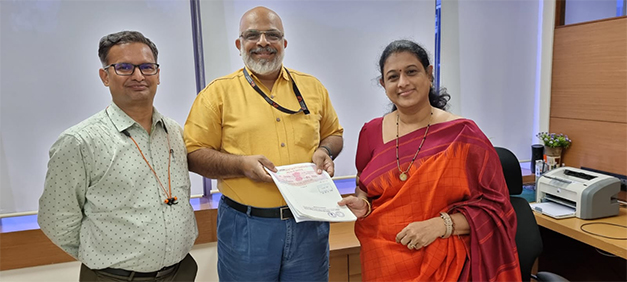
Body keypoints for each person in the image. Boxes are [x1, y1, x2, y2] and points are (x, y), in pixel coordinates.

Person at [339, 39, 521, 281]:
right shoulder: (370, 133)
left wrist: (441, 225)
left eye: (411, 72)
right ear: (384, 84)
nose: (403, 83)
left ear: (429, 74)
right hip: (382, 261)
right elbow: (365, 189)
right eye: (393, 77)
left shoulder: (463, 135)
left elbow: (497, 209)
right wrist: (364, 205)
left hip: (446, 262)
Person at [184, 6, 344, 281]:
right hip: (246, 227)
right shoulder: (217, 94)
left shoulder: (312, 88)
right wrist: (241, 165)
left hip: (309, 223)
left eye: (272, 35)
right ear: (239, 44)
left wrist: (325, 150)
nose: (262, 42)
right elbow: (194, 154)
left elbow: (335, 134)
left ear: (283, 43)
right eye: (252, 35)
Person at [38, 31, 198, 281]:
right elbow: (56, 219)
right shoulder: (79, 142)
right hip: (114, 277)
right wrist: (102, 257)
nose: (138, 76)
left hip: (180, 272)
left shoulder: (174, 133)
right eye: (124, 67)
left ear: (157, 74)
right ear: (105, 76)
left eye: (147, 67)